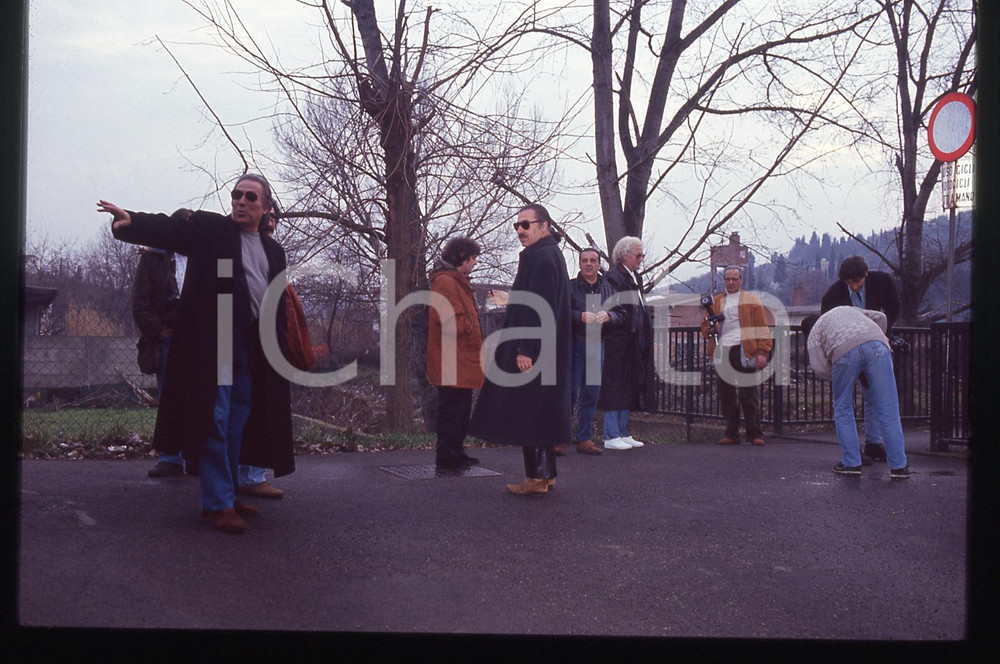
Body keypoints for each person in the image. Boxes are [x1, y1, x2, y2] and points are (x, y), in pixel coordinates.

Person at [98, 173, 295, 533]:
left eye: (251, 197)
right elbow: (173, 231)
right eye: (237, 195)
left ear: (266, 208)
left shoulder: (273, 251)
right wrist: (133, 222)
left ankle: (228, 491)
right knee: (216, 419)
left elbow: (275, 302)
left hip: (253, 346)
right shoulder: (214, 231)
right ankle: (216, 503)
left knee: (240, 420)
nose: (241, 201)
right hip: (218, 342)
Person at [468, 203, 572, 496]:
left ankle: (537, 478)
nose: (520, 231)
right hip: (546, 349)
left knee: (533, 410)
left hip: (535, 349)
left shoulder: (541, 257)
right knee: (542, 409)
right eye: (517, 225)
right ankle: (545, 474)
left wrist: (527, 348)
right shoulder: (548, 255)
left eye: (526, 225)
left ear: (544, 225)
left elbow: (540, 307)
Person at [801, 307, 910, 479]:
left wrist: (840, 376)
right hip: (878, 344)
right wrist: (875, 338)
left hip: (844, 351)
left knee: (843, 408)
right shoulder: (845, 309)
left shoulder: (814, 332)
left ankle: (851, 463)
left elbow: (819, 368)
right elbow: (881, 316)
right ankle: (899, 466)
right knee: (889, 408)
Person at [130, 207, 198, 478]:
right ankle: (170, 458)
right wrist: (159, 332)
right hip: (168, 336)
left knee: (201, 396)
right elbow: (140, 302)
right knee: (170, 395)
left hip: (199, 337)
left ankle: (196, 456)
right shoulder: (153, 258)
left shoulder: (206, 256)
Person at [820, 255, 902, 464]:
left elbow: (893, 308)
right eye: (849, 282)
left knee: (874, 395)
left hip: (875, 342)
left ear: (866, 274)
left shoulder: (881, 281)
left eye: (857, 281)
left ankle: (872, 445)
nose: (854, 286)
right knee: (846, 402)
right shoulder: (833, 294)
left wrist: (884, 330)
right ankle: (860, 454)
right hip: (846, 350)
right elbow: (828, 324)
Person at [236, 210, 284, 500]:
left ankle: (250, 474)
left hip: (260, 335)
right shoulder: (232, 243)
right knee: (234, 404)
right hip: (234, 332)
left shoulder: (273, 252)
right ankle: (239, 475)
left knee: (257, 403)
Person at [427, 236, 485, 470]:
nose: (474, 263)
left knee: (460, 407)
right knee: (452, 408)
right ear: (462, 258)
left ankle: (456, 451)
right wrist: (469, 326)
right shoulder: (446, 282)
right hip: (451, 357)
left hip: (458, 357)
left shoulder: (455, 281)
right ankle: (447, 455)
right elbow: (446, 319)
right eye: (473, 259)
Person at [700, 265, 772, 446]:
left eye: (735, 279)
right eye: (728, 279)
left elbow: (762, 327)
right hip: (723, 350)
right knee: (726, 395)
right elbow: (704, 328)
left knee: (749, 394)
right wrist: (711, 330)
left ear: (741, 280)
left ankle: (755, 433)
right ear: (724, 281)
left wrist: (762, 351)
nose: (731, 282)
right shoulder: (715, 302)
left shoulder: (752, 300)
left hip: (745, 350)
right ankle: (731, 433)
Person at [561, 248, 621, 456]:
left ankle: (584, 438)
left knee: (591, 394)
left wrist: (610, 316)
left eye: (592, 260)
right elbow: (558, 311)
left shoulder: (608, 288)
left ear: (598, 264)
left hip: (597, 344)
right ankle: (560, 438)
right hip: (575, 344)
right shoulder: (569, 287)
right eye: (584, 260)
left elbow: (621, 313)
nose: (588, 264)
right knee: (569, 393)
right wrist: (579, 316)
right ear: (579, 264)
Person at [596, 236, 651, 451]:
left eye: (641, 255)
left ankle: (622, 431)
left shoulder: (633, 277)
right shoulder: (612, 278)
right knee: (614, 385)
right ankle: (610, 434)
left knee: (627, 383)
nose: (640, 259)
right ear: (624, 255)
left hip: (631, 339)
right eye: (638, 255)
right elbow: (613, 309)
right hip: (616, 339)